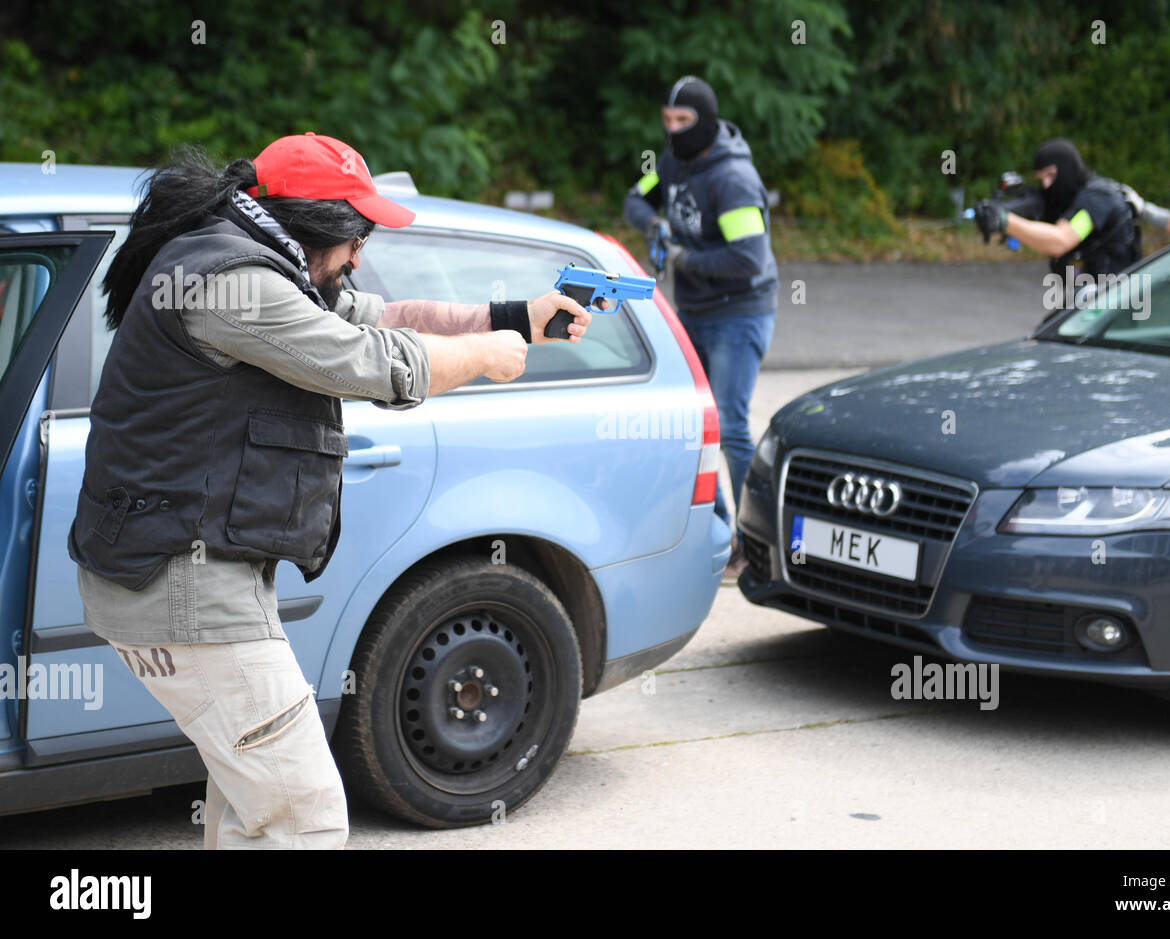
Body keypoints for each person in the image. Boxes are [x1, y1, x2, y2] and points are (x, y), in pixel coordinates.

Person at [68, 133, 593, 849]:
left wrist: (510, 319)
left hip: (185, 578)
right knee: (305, 819)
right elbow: (370, 363)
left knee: (251, 812)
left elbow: (387, 317)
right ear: (313, 222)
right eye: (356, 236)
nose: (358, 255)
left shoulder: (257, 259)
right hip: (182, 586)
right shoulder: (234, 284)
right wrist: (481, 358)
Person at [623, 75, 779, 583]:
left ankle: (757, 542)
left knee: (730, 426)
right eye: (667, 121)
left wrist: (686, 257)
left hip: (740, 311)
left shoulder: (731, 180)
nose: (673, 131)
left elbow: (749, 259)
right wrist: (655, 225)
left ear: (705, 123)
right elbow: (636, 197)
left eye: (683, 122)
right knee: (695, 421)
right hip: (694, 310)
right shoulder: (672, 163)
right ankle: (716, 533)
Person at [974, 137, 1140, 310]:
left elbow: (1060, 240)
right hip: (1089, 299)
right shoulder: (1065, 198)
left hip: (1116, 305)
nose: (1046, 185)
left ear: (1068, 168)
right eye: (1041, 179)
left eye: (1051, 175)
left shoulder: (1096, 200)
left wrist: (1004, 220)